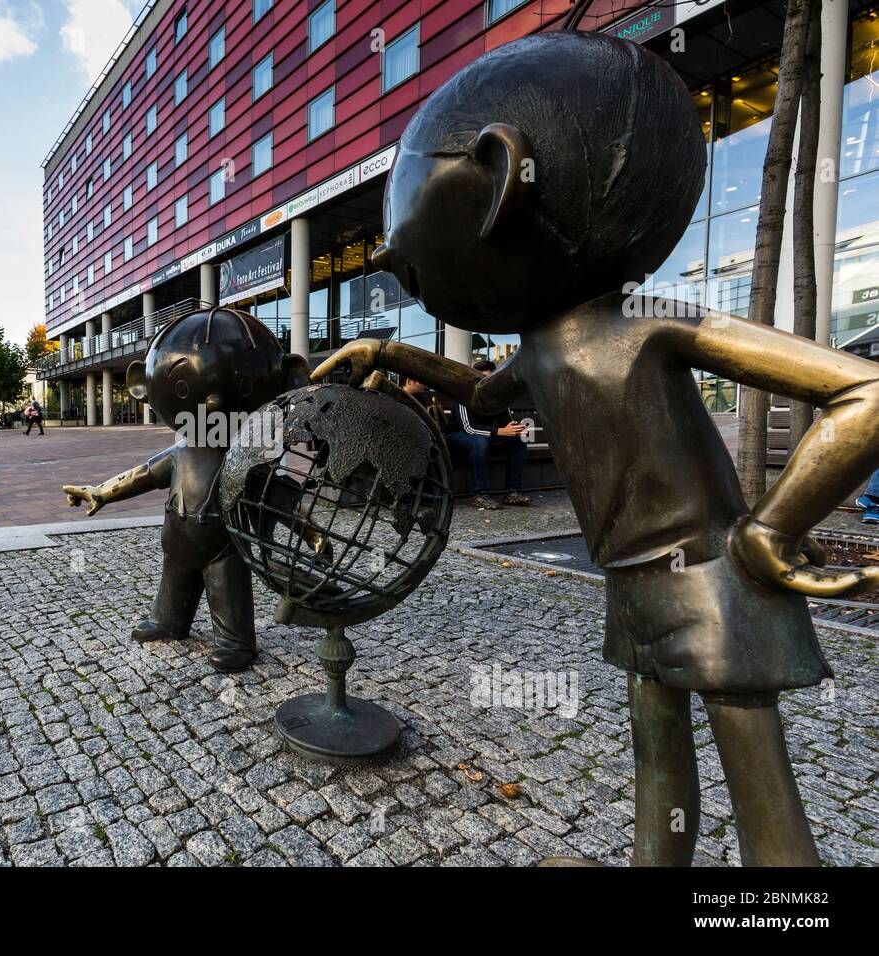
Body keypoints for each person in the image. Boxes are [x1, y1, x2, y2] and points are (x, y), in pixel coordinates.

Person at [315, 31, 879, 866]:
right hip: (634, 584)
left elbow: (864, 393)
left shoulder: (652, 321)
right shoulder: (543, 350)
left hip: (713, 578)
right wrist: (388, 353)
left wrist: (769, 531)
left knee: (765, 804)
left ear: (503, 178)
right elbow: (478, 392)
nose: (400, 264)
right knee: (658, 758)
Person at [62, 308, 310, 673]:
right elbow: (142, 475)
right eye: (183, 387)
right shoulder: (180, 453)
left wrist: (311, 532)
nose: (213, 403)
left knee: (226, 588)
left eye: (238, 387)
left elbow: (280, 495)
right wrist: (101, 492)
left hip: (224, 544)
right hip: (178, 538)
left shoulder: (246, 457)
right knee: (174, 581)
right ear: (142, 385)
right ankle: (168, 620)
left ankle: (235, 640)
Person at [441, 360, 530, 510]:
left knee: (518, 440)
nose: (485, 383)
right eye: (481, 378)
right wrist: (500, 432)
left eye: (488, 379)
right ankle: (479, 494)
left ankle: (512, 493)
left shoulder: (498, 397)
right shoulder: (464, 395)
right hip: (458, 436)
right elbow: (468, 428)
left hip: (483, 436)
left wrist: (515, 429)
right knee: (479, 442)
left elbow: (506, 423)